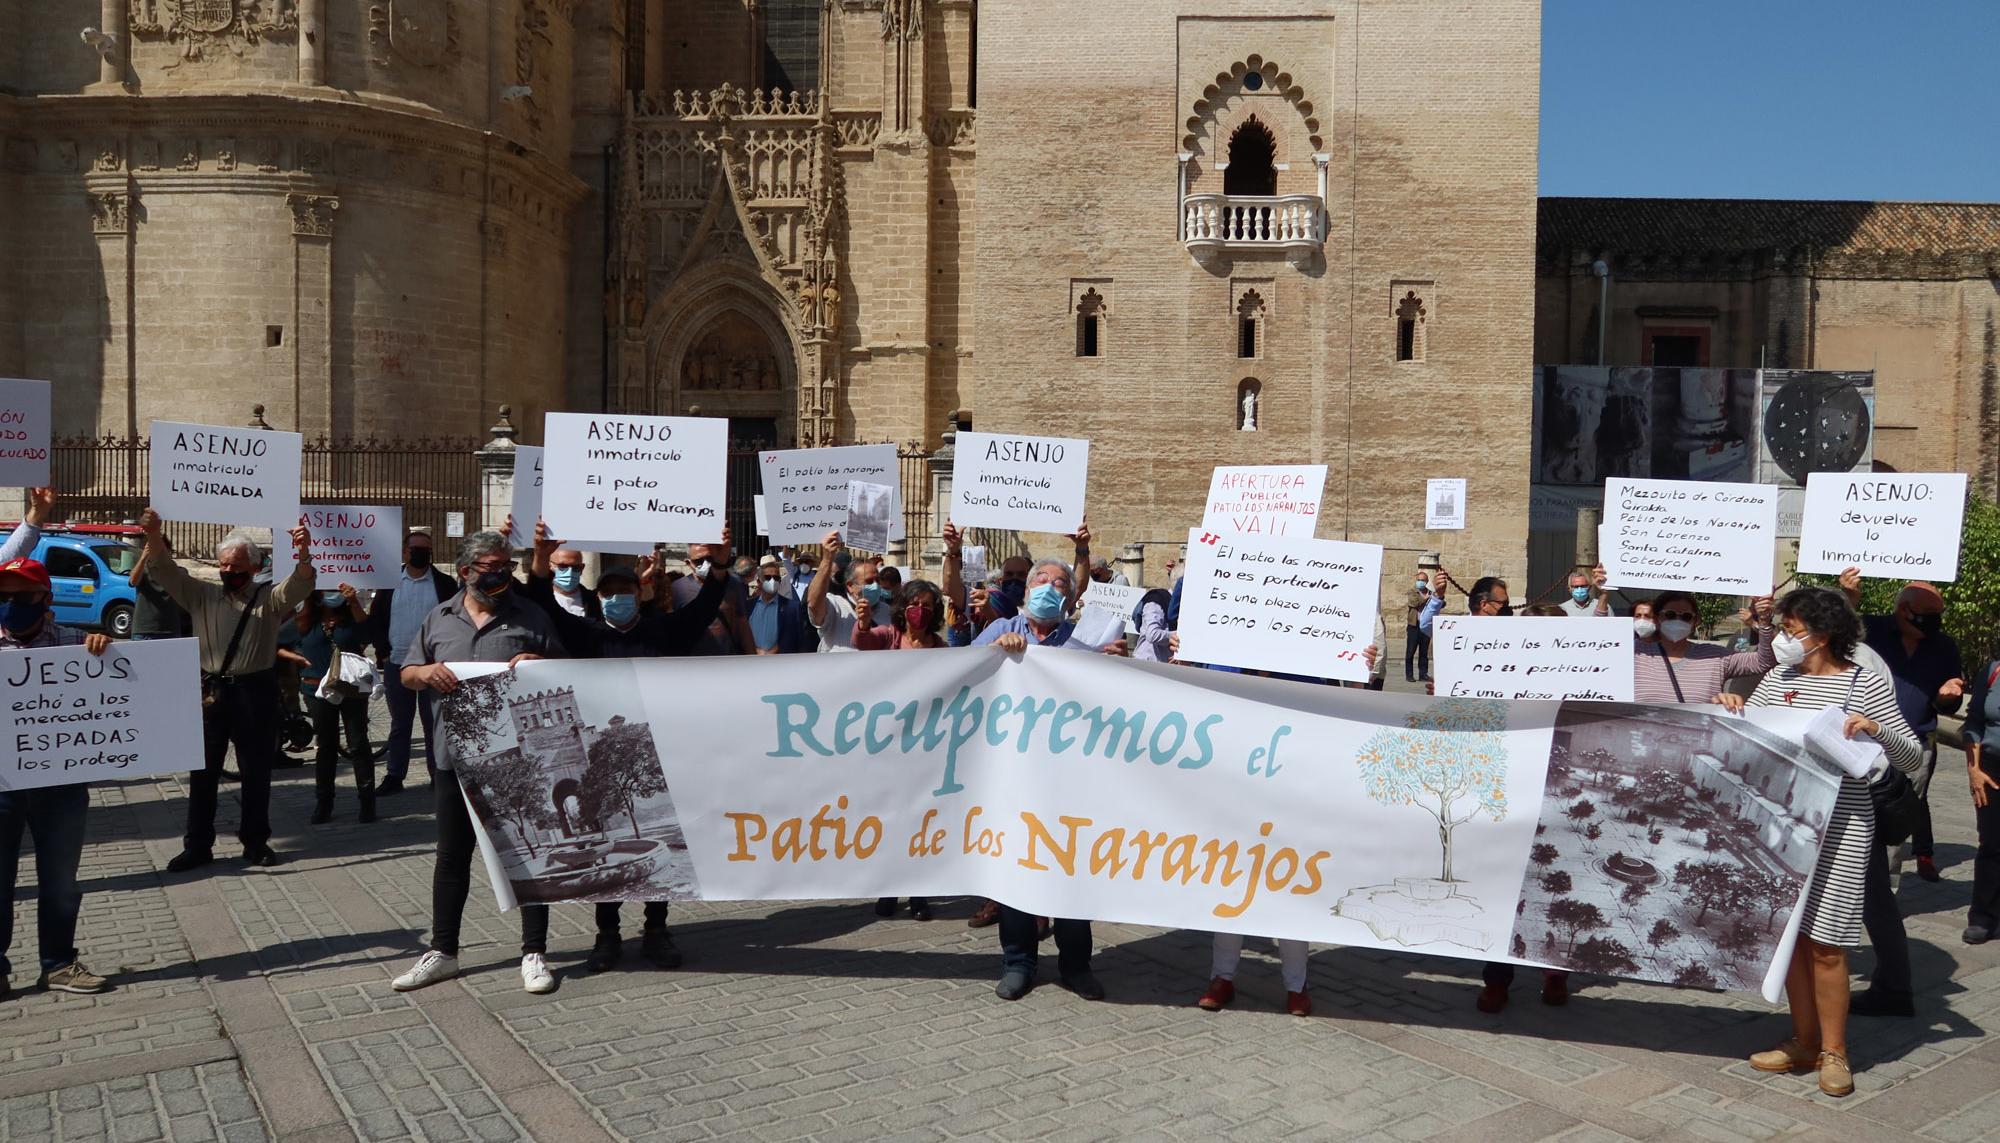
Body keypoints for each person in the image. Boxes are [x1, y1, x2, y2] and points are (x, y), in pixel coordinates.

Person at [524, 520, 732, 972]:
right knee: (613, 846)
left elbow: (709, 603)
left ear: (639, 593)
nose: (616, 598)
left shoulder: (665, 631)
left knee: (656, 835)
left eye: (624, 591)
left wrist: (718, 562)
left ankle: (657, 929)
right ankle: (607, 935)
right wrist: (541, 555)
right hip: (600, 758)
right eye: (607, 593)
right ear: (597, 600)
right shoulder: (586, 635)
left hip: (656, 749)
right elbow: (540, 599)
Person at [1745, 587, 1923, 1097]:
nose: (1782, 638)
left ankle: (1834, 1051)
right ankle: (1802, 1039)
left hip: (1842, 828)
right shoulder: (1778, 678)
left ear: (1820, 636)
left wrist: (1876, 730)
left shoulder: (1863, 682)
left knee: (1827, 942)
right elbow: (1749, 729)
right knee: (1793, 938)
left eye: (1790, 629)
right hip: (1782, 824)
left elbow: (1910, 757)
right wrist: (1734, 704)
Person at [391, 531, 566, 995]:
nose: (500, 575)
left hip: (516, 761)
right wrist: (424, 673)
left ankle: (534, 952)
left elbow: (568, 673)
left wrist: (540, 664)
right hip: (454, 759)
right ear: (466, 571)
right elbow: (408, 673)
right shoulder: (439, 618)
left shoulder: (531, 616)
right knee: (452, 856)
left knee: (530, 852)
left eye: (506, 566)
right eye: (491, 567)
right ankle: (443, 952)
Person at [142, 509, 314, 872]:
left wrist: (302, 553)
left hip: (256, 692)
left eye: (237, 568)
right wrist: (155, 534)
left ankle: (255, 843)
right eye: (224, 566)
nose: (229, 573)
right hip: (211, 692)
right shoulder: (200, 594)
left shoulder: (269, 598)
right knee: (203, 774)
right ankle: (198, 846)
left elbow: (300, 583)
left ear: (254, 567)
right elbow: (164, 568)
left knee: (256, 772)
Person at [0, 555, 116, 998]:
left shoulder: (76, 645)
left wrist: (107, 650)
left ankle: (59, 964)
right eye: (3, 596)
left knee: (61, 880)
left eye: (22, 595)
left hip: (61, 785)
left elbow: (125, 681)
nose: (11, 604)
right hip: (3, 785)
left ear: (45, 598)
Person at [1842, 571, 1963, 884]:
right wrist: (1848, 601)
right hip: (1861, 743)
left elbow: (1944, 705)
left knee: (1896, 820)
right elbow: (1832, 640)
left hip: (1914, 747)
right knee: (1851, 818)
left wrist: (1947, 697)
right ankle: (1849, 884)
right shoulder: (1869, 631)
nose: (1935, 621)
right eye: (1928, 614)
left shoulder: (1944, 647)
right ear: (1904, 610)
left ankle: (1886, 890)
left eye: (1939, 615)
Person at [852, 576, 948, 920]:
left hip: (924, 746)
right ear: (901, 609)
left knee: (920, 818)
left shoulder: (940, 648)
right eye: (913, 604)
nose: (919, 611)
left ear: (935, 611)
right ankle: (888, 887)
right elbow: (863, 642)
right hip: (888, 744)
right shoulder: (888, 637)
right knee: (889, 818)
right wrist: (862, 623)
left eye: (926, 605)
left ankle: (919, 892)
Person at [368, 529, 457, 796]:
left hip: (434, 666)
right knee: (400, 724)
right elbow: (377, 618)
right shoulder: (389, 582)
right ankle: (395, 776)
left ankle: (438, 775)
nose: (421, 554)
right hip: (398, 663)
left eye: (426, 550)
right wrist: (382, 651)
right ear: (405, 552)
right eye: (416, 549)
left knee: (435, 724)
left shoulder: (445, 584)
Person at [287, 586, 377, 824]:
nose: (331, 594)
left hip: (351, 690)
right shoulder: (305, 621)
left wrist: (354, 602)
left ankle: (367, 802)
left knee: (358, 743)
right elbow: (276, 642)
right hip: (317, 691)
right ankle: (324, 803)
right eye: (326, 589)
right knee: (326, 745)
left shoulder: (352, 619)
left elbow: (369, 633)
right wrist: (295, 658)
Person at [1634, 590, 1775, 707]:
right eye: (1670, 615)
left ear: (1695, 621)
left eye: (1686, 617)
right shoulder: (1635, 652)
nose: (1677, 620)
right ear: (1657, 618)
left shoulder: (1715, 656)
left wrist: (1763, 619)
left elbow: (1764, 662)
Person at [1963, 658, 2000, 945]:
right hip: (1990, 768)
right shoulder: (1991, 671)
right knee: (1991, 843)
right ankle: (1983, 918)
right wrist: (1974, 770)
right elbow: (1974, 720)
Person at [805, 532, 864, 653]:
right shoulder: (835, 604)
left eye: (876, 580)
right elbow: (814, 604)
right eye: (868, 581)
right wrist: (827, 559)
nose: (874, 585)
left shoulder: (885, 610)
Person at [130, 530, 189, 641]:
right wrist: (143, 558)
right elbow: (133, 581)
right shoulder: (143, 570)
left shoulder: (179, 571)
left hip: (171, 631)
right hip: (144, 631)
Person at [748, 554, 809, 653]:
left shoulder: (792, 608)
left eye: (776, 578)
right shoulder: (748, 606)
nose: (772, 581)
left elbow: (798, 640)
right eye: (767, 577)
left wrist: (774, 651)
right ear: (759, 581)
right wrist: (755, 651)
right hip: (751, 662)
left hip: (781, 664)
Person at [546, 544, 599, 620]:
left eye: (576, 567)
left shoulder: (594, 601)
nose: (570, 572)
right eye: (563, 566)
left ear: (582, 568)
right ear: (549, 565)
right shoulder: (540, 599)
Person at [1404, 571, 1433, 682]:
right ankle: (1409, 675)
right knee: (1410, 651)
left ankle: (1423, 674)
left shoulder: (1430, 592)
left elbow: (1438, 603)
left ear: (1426, 582)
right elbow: (1413, 603)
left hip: (1425, 626)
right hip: (1414, 625)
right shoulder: (1413, 592)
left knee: (1424, 652)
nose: (1420, 582)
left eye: (1422, 580)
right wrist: (1425, 599)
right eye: (1418, 580)